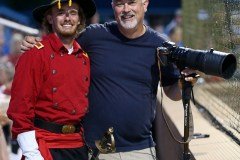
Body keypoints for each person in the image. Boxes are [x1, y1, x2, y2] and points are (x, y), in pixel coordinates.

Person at [21, 0, 197, 159]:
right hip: (93, 149)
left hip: (139, 150)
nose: (126, 9)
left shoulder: (160, 45)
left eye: (131, 2)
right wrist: (35, 44)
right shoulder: (94, 36)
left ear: (145, 4)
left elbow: (171, 92)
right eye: (120, 3)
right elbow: (60, 45)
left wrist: (183, 85)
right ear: (113, 7)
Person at [7, 0, 96, 160]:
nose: (67, 18)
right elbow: (20, 107)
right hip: (44, 146)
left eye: (73, 13)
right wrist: (32, 152)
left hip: (77, 145)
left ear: (80, 19)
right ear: (50, 18)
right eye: (61, 13)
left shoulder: (84, 57)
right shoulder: (34, 54)